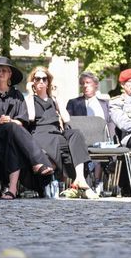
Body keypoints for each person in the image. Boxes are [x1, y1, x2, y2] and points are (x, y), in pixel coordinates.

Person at [0, 57, 54, 200]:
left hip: (12, 137)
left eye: (4, 70)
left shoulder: (17, 95)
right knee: (10, 129)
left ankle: (12, 189)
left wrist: (10, 121)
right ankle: (38, 161)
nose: (0, 73)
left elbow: (22, 121)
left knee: (12, 133)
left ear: (10, 75)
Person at [25, 65, 97, 196]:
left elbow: (66, 118)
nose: (41, 81)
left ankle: (79, 178)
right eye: (37, 79)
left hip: (56, 132)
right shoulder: (30, 99)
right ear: (33, 82)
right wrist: (30, 93)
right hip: (40, 132)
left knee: (76, 133)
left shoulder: (53, 99)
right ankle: (68, 177)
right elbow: (30, 117)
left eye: (44, 79)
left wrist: (58, 99)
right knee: (59, 142)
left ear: (48, 82)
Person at [65, 71, 114, 139]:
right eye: (82, 83)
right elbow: (69, 124)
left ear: (96, 84)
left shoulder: (106, 104)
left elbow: (111, 124)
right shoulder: (73, 103)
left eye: (88, 82)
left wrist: (112, 140)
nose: (85, 85)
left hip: (104, 141)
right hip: (82, 141)